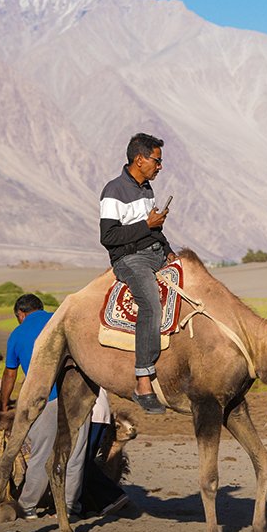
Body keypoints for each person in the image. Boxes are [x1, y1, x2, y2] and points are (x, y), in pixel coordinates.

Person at [99, 132, 177, 414]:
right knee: (151, 305)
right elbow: (107, 236)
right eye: (157, 160)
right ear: (140, 159)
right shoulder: (114, 191)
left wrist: (168, 249)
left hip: (154, 251)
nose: (160, 166)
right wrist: (147, 224)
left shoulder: (146, 189)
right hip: (130, 259)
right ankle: (143, 381)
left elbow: (154, 229)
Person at [0, 293, 89, 520]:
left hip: (46, 399)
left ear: (21, 314)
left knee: (41, 452)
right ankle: (69, 507)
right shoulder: (64, 320)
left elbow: (10, 373)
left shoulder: (18, 334)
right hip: (79, 398)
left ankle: (29, 506)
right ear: (41, 308)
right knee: (75, 453)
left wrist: (4, 404)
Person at [80, 388, 130, 517]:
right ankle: (87, 505)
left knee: (81, 462)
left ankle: (113, 496)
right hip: (100, 414)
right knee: (84, 461)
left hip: (91, 415)